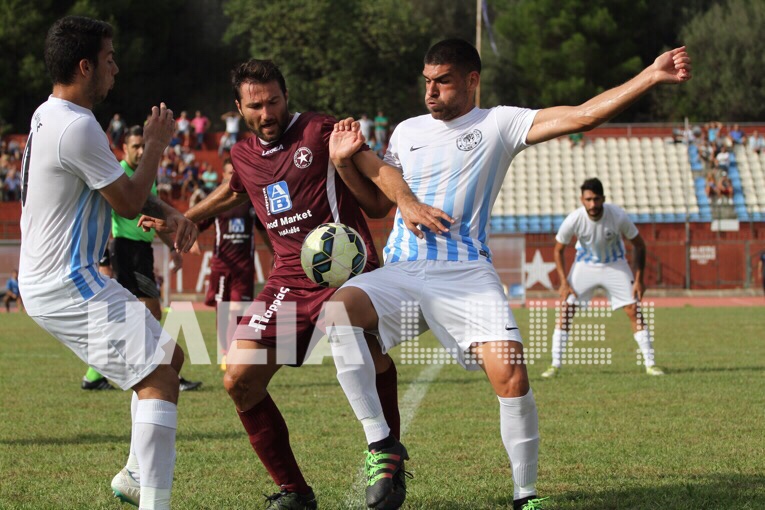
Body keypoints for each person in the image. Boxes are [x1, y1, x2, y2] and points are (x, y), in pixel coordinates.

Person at [324, 38, 690, 510]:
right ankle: (382, 446)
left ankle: (526, 496)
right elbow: (377, 203)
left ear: (472, 81)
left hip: (466, 274)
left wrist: (650, 75)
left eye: (443, 81)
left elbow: (583, 115)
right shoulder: (406, 130)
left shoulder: (498, 123)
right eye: (426, 81)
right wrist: (342, 162)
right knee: (337, 311)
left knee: (511, 376)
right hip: (403, 270)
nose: (430, 91)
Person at [142, 58, 439, 510]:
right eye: (256, 106)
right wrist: (188, 218)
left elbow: (375, 172)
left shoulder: (320, 131)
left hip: (347, 271)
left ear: (286, 96)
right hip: (288, 281)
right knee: (239, 379)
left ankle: (386, 459)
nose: (268, 114)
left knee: (368, 353)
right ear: (238, 107)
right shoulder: (241, 154)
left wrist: (408, 202)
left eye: (274, 102)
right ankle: (295, 492)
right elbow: (234, 190)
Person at [18, 16, 198, 510]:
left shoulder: (49, 115)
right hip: (65, 282)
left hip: (60, 279)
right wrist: (157, 145)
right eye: (109, 59)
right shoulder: (77, 127)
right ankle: (151, 500)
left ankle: (135, 478)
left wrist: (170, 212)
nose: (115, 68)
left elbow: (116, 191)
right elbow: (125, 201)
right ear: (85, 66)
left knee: (169, 360)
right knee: (161, 375)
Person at [80, 124, 203, 392]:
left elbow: (154, 217)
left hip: (141, 251)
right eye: (135, 146)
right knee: (148, 312)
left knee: (132, 316)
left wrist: (172, 248)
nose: (139, 151)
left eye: (143, 146)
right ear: (124, 148)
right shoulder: (119, 174)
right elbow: (104, 215)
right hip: (127, 250)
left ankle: (95, 374)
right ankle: (163, 370)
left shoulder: (146, 176)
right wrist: (104, 259)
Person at [541, 178, 665, 379]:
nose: (592, 205)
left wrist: (639, 279)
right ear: (582, 199)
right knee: (565, 310)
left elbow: (640, 245)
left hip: (614, 264)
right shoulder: (574, 219)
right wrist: (564, 282)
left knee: (634, 310)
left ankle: (651, 364)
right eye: (588, 199)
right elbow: (558, 250)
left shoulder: (618, 215)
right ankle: (555, 365)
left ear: (603, 199)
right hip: (585, 264)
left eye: (596, 199)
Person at [196, 158, 272, 370]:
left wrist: (276, 253)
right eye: (229, 173)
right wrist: (191, 240)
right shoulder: (217, 203)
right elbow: (198, 222)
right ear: (223, 176)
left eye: (235, 174)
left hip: (244, 266)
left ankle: (232, 351)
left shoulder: (251, 200)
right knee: (222, 309)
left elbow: (263, 228)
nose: (233, 178)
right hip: (221, 265)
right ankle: (224, 351)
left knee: (239, 309)